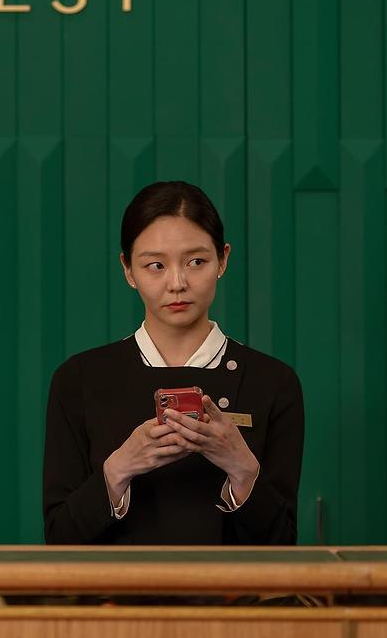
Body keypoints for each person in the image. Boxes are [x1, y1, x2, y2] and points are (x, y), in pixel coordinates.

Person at [43, 181, 304, 545]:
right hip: (115, 585)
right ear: (128, 269)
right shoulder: (79, 379)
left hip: (232, 584)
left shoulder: (273, 382)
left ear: (223, 259)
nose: (177, 283)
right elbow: (60, 538)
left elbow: (282, 545)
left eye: (196, 261)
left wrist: (242, 468)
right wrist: (119, 469)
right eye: (156, 265)